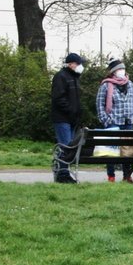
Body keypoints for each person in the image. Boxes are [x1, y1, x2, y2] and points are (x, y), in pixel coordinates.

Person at [95, 59, 133, 183]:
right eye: (119, 69)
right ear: (113, 72)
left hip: (128, 121)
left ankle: (127, 176)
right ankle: (111, 176)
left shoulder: (130, 84)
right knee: (111, 151)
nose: (122, 71)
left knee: (128, 151)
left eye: (123, 69)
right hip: (113, 122)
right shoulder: (105, 86)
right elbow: (100, 104)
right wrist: (106, 120)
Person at [50, 52, 85, 183]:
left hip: (71, 119)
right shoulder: (61, 77)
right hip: (62, 118)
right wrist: (71, 111)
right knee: (65, 146)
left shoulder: (74, 77)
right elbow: (58, 98)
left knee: (68, 146)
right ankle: (63, 174)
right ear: (71, 64)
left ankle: (62, 171)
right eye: (78, 64)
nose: (80, 66)